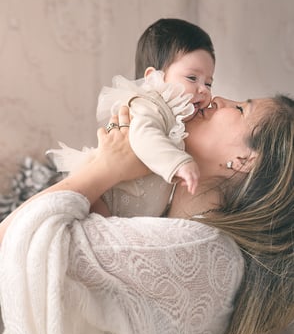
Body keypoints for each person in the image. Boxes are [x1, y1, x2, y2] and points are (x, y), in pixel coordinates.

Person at [0, 92, 293, 334]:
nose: (219, 99)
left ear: (244, 159)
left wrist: (103, 170)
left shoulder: (196, 250)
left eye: (241, 109)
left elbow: (14, 241)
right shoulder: (179, 231)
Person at [47, 18, 215, 217]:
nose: (203, 89)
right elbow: (143, 135)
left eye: (209, 83)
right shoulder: (149, 104)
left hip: (132, 210)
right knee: (87, 224)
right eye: (192, 78)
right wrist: (179, 163)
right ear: (155, 77)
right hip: (104, 197)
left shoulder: (178, 120)